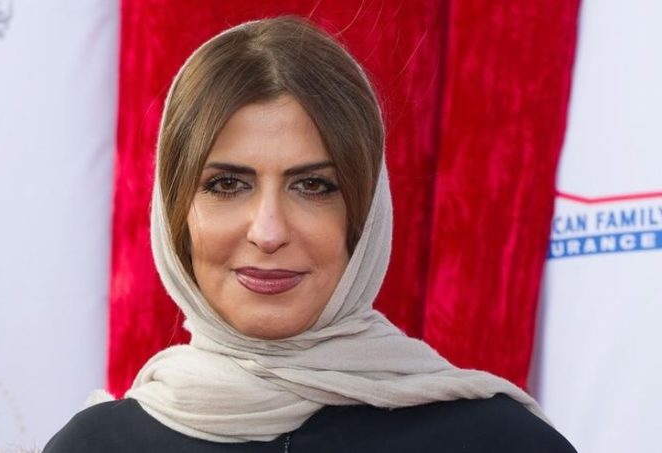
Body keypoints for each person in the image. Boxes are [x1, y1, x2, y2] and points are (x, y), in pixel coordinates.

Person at [43, 16, 576, 452]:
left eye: (314, 186)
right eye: (227, 184)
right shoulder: (97, 447)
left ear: (365, 214)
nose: (268, 231)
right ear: (174, 211)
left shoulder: (498, 442)